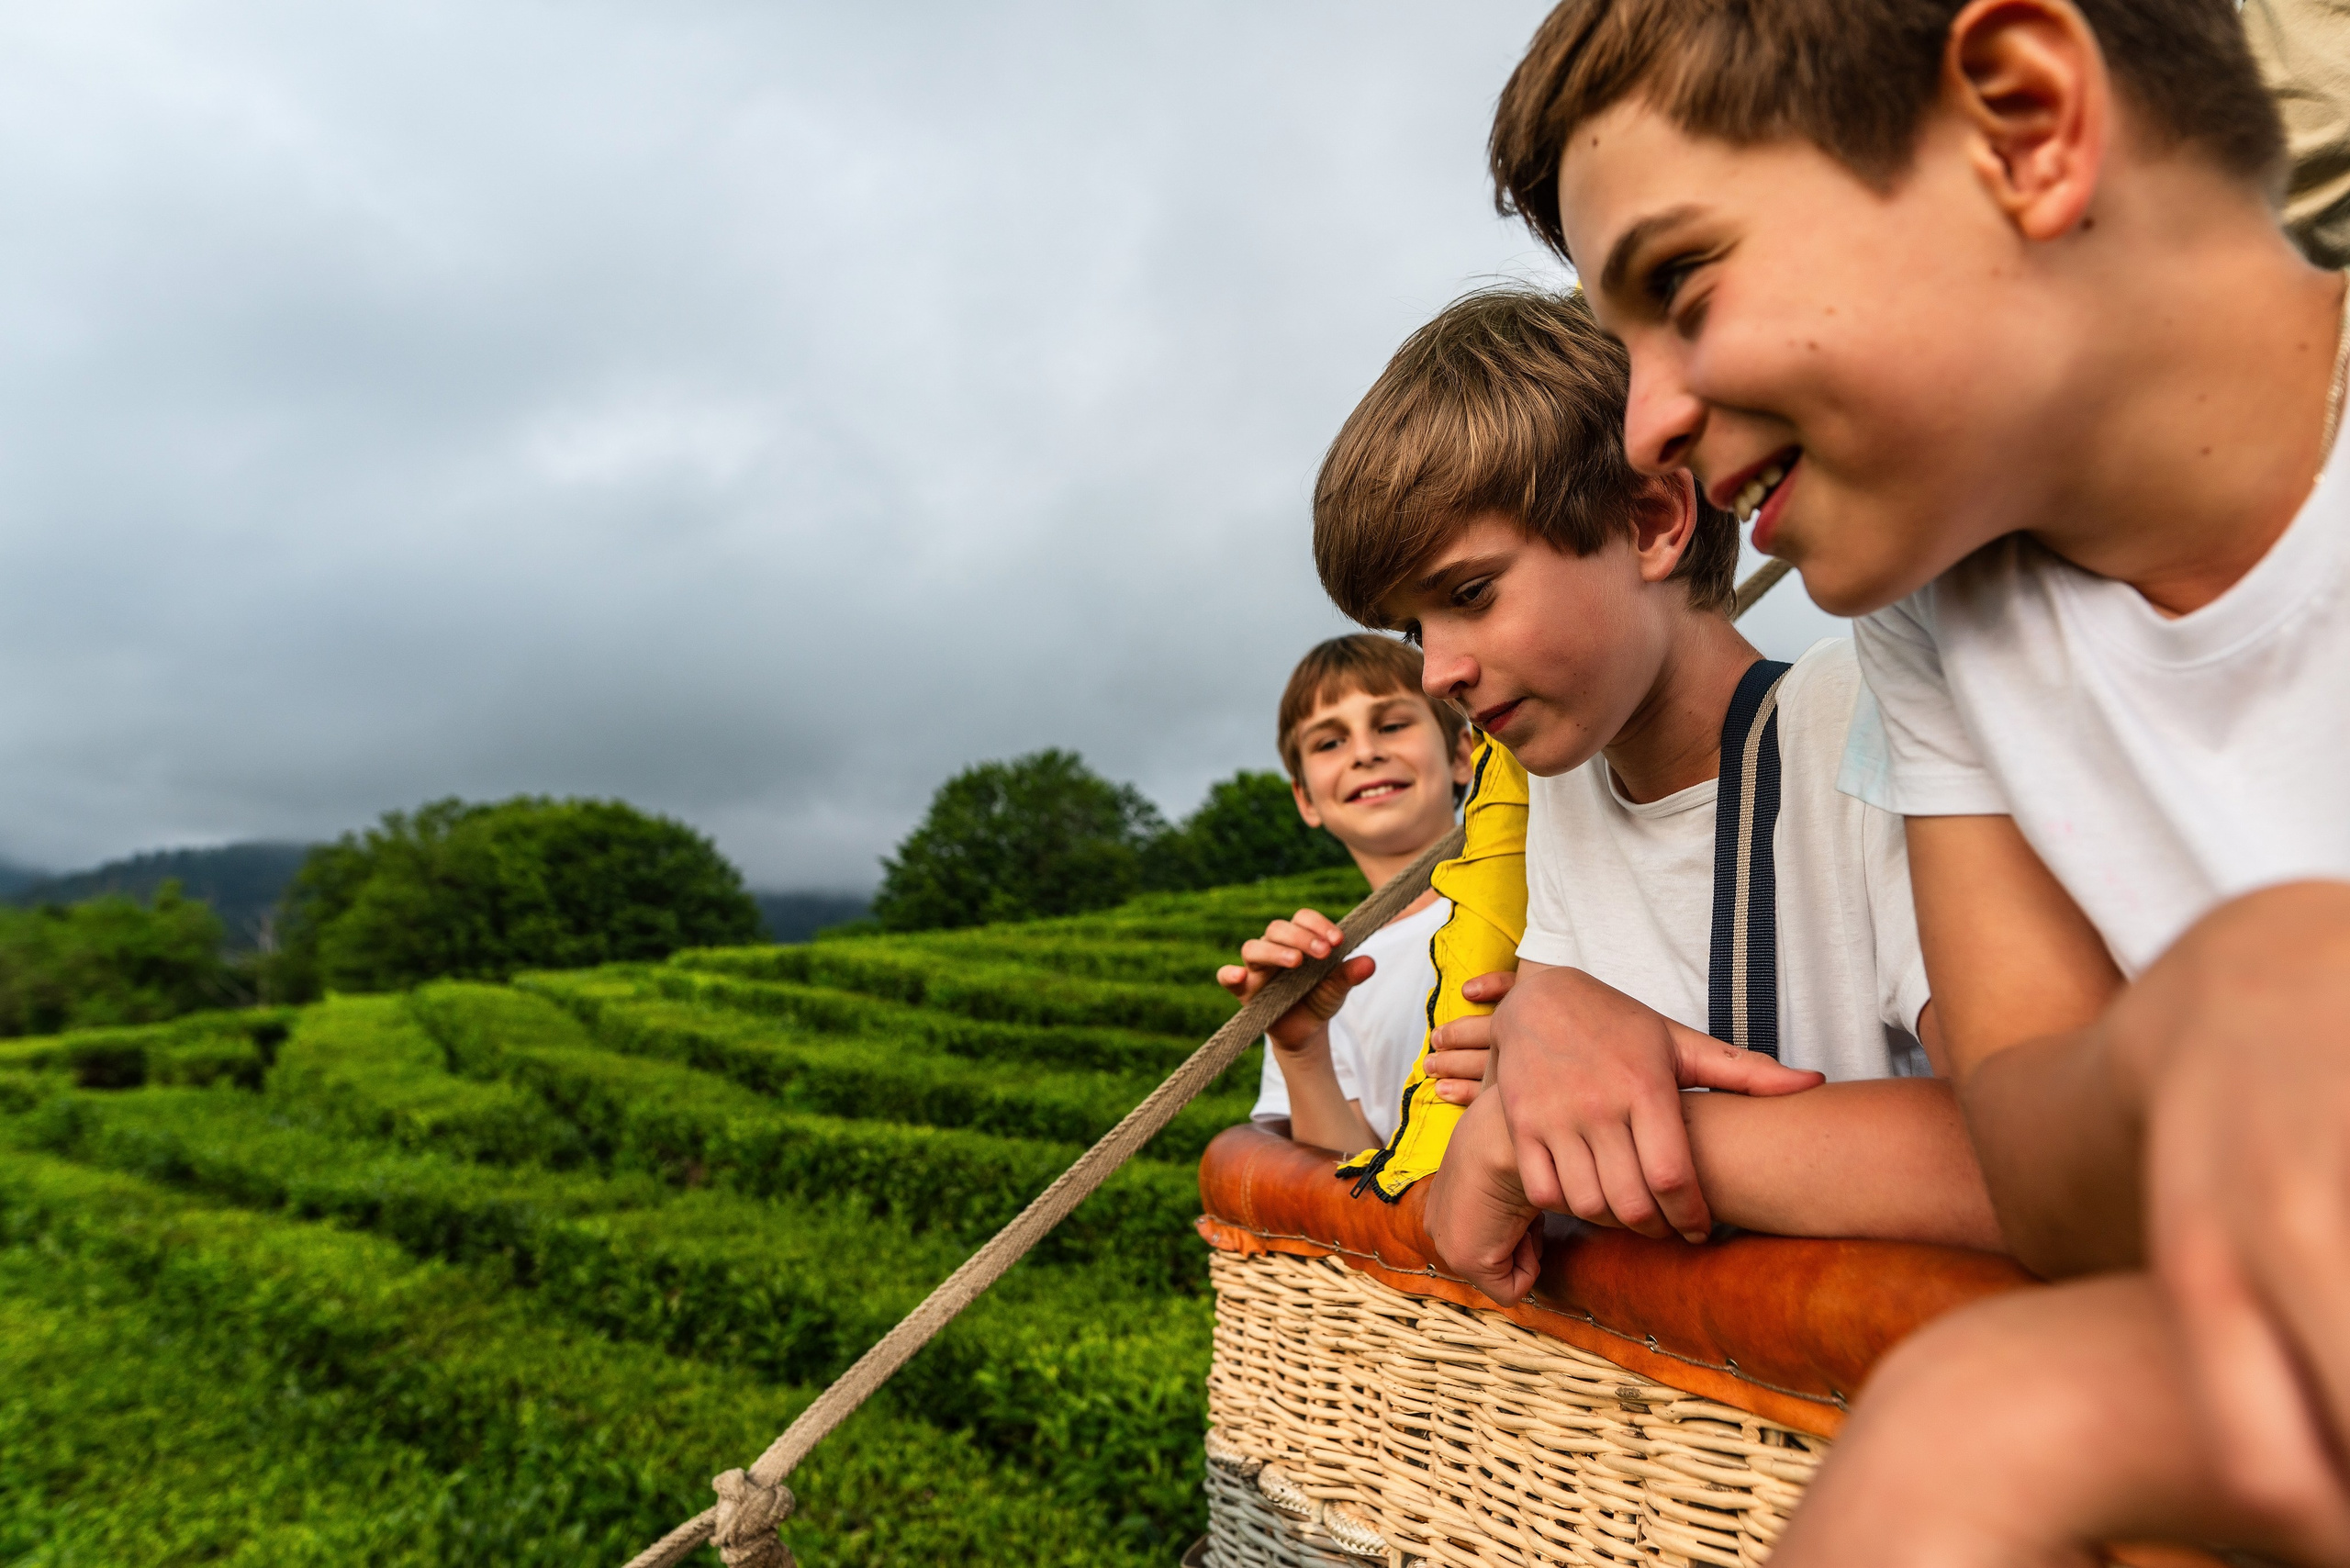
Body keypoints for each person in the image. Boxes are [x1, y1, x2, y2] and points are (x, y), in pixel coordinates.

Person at [1485, 0, 2350, 1558]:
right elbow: (2034, 1147)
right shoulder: (1938, 618)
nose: (1649, 424)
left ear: (2025, 123)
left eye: (1682, 283)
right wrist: (2203, 1031)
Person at [1308, 286, 1998, 1270]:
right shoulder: (1561, 789)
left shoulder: (1869, 723)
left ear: (1651, 522)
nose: (1437, 672)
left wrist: (1544, 1135)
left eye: (1471, 593)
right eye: (1417, 628)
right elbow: (1494, 1165)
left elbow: (2040, 1162)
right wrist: (1541, 1046)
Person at [1221, 634, 1472, 1155]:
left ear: (1462, 755)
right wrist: (1301, 1049)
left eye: (1393, 725)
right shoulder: (1321, 976)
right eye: (1330, 743)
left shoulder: (1545, 888)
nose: (1366, 753)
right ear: (1305, 798)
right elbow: (1344, 1184)